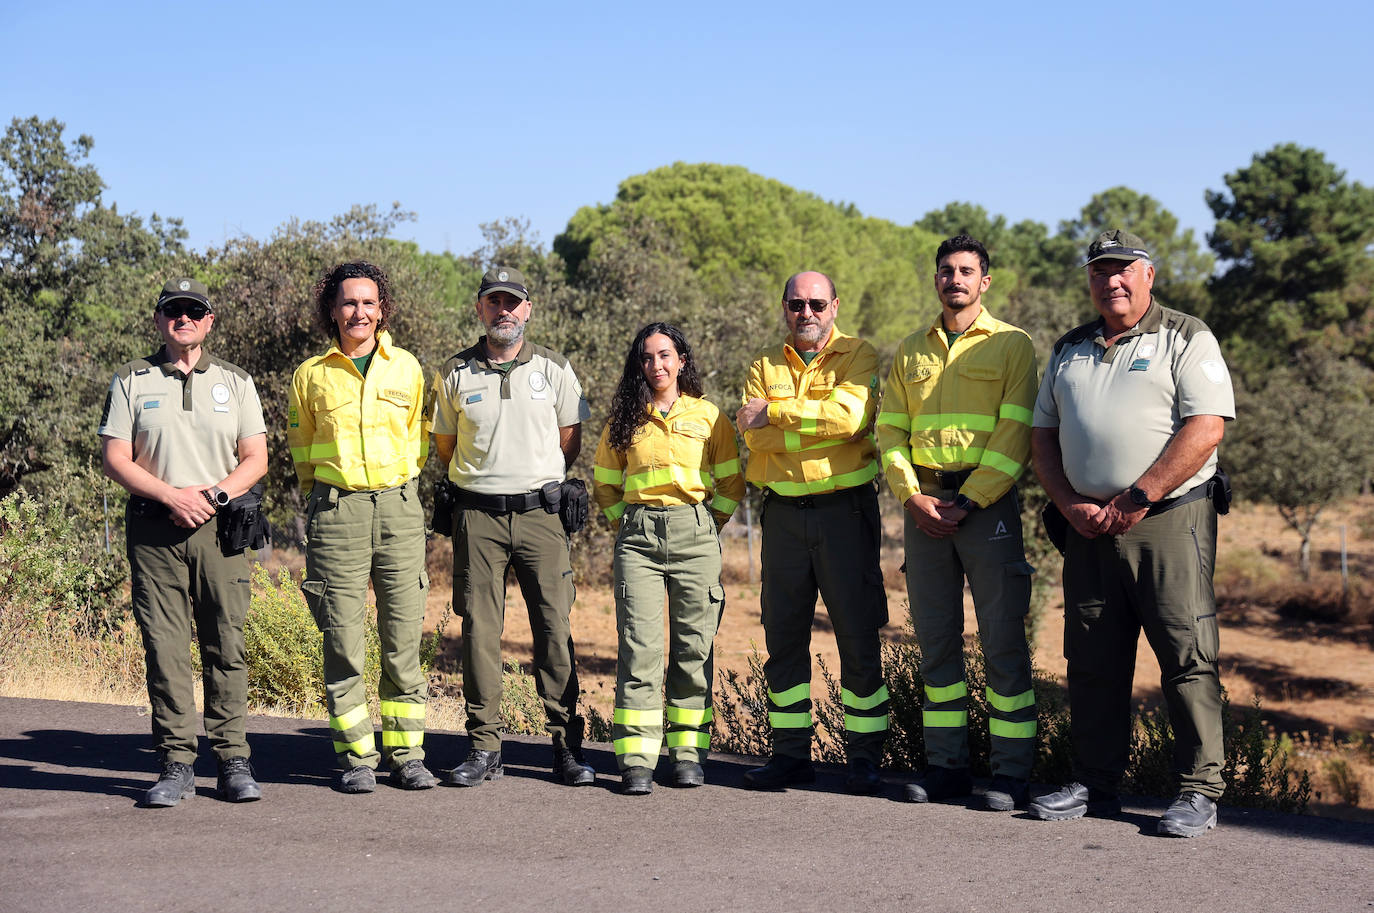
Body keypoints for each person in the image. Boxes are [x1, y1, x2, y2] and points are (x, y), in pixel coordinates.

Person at [1029, 230, 1234, 837]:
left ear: (1149, 274)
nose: (1111, 281)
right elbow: (1043, 436)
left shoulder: (1186, 335)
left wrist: (1139, 495)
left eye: (1123, 269)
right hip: (1088, 527)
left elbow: (1206, 427)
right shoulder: (1069, 348)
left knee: (1186, 654)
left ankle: (1199, 789)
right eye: (1099, 271)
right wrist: (1068, 504)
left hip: (1167, 520)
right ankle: (1096, 784)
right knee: (1092, 657)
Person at [877, 235, 1038, 811]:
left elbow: (1015, 432)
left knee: (1001, 641)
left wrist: (969, 501)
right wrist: (911, 495)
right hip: (923, 507)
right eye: (946, 271)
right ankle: (946, 769)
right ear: (936, 279)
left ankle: (1012, 773)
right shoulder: (909, 349)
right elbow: (890, 431)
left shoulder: (1012, 346)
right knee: (937, 644)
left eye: (966, 271)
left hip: (985, 508)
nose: (955, 280)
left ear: (985, 281)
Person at [99, 277, 268, 806]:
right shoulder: (132, 380)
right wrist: (173, 496)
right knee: (165, 649)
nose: (184, 319)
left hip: (220, 529)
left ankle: (233, 761)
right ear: (159, 320)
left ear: (209, 321)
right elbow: (115, 458)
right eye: (174, 311)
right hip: (155, 531)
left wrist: (212, 497)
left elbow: (256, 459)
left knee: (227, 645)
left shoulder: (237, 382)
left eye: (195, 311)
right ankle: (175, 762)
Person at [431, 265, 596, 787]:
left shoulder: (555, 369)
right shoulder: (454, 373)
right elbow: (445, 447)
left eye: (513, 302)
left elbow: (571, 439)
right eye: (494, 302)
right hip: (476, 515)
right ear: (480, 309)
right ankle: (484, 746)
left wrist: (538, 478)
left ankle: (566, 746)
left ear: (528, 309)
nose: (504, 311)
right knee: (480, 630)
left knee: (553, 627)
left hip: (541, 517)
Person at [735, 270, 889, 794]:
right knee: (783, 638)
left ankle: (866, 760)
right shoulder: (763, 366)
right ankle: (789, 757)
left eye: (817, 304)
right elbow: (754, 444)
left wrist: (775, 416)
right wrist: (807, 427)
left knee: (857, 636)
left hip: (845, 515)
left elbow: (848, 420)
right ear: (784, 308)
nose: (807, 313)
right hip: (783, 516)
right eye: (797, 304)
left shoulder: (860, 355)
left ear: (835, 306)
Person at [288, 261, 436, 793]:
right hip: (337, 514)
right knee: (343, 641)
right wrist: (326, 500)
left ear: (383, 309)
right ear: (333, 310)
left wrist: (398, 490)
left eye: (369, 302)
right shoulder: (311, 374)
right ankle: (356, 758)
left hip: (398, 510)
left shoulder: (409, 369)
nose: (359, 312)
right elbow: (302, 452)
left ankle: (407, 754)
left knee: (402, 638)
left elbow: (421, 439)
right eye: (349, 303)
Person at [592, 323, 744, 795]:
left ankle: (687, 754)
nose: (656, 365)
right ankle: (636, 758)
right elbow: (603, 481)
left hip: (695, 534)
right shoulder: (625, 418)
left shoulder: (708, 416)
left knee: (693, 648)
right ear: (638, 365)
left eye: (664, 355)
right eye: (647, 357)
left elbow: (731, 483)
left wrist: (704, 526)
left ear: (681, 360)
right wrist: (627, 524)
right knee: (639, 648)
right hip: (638, 539)